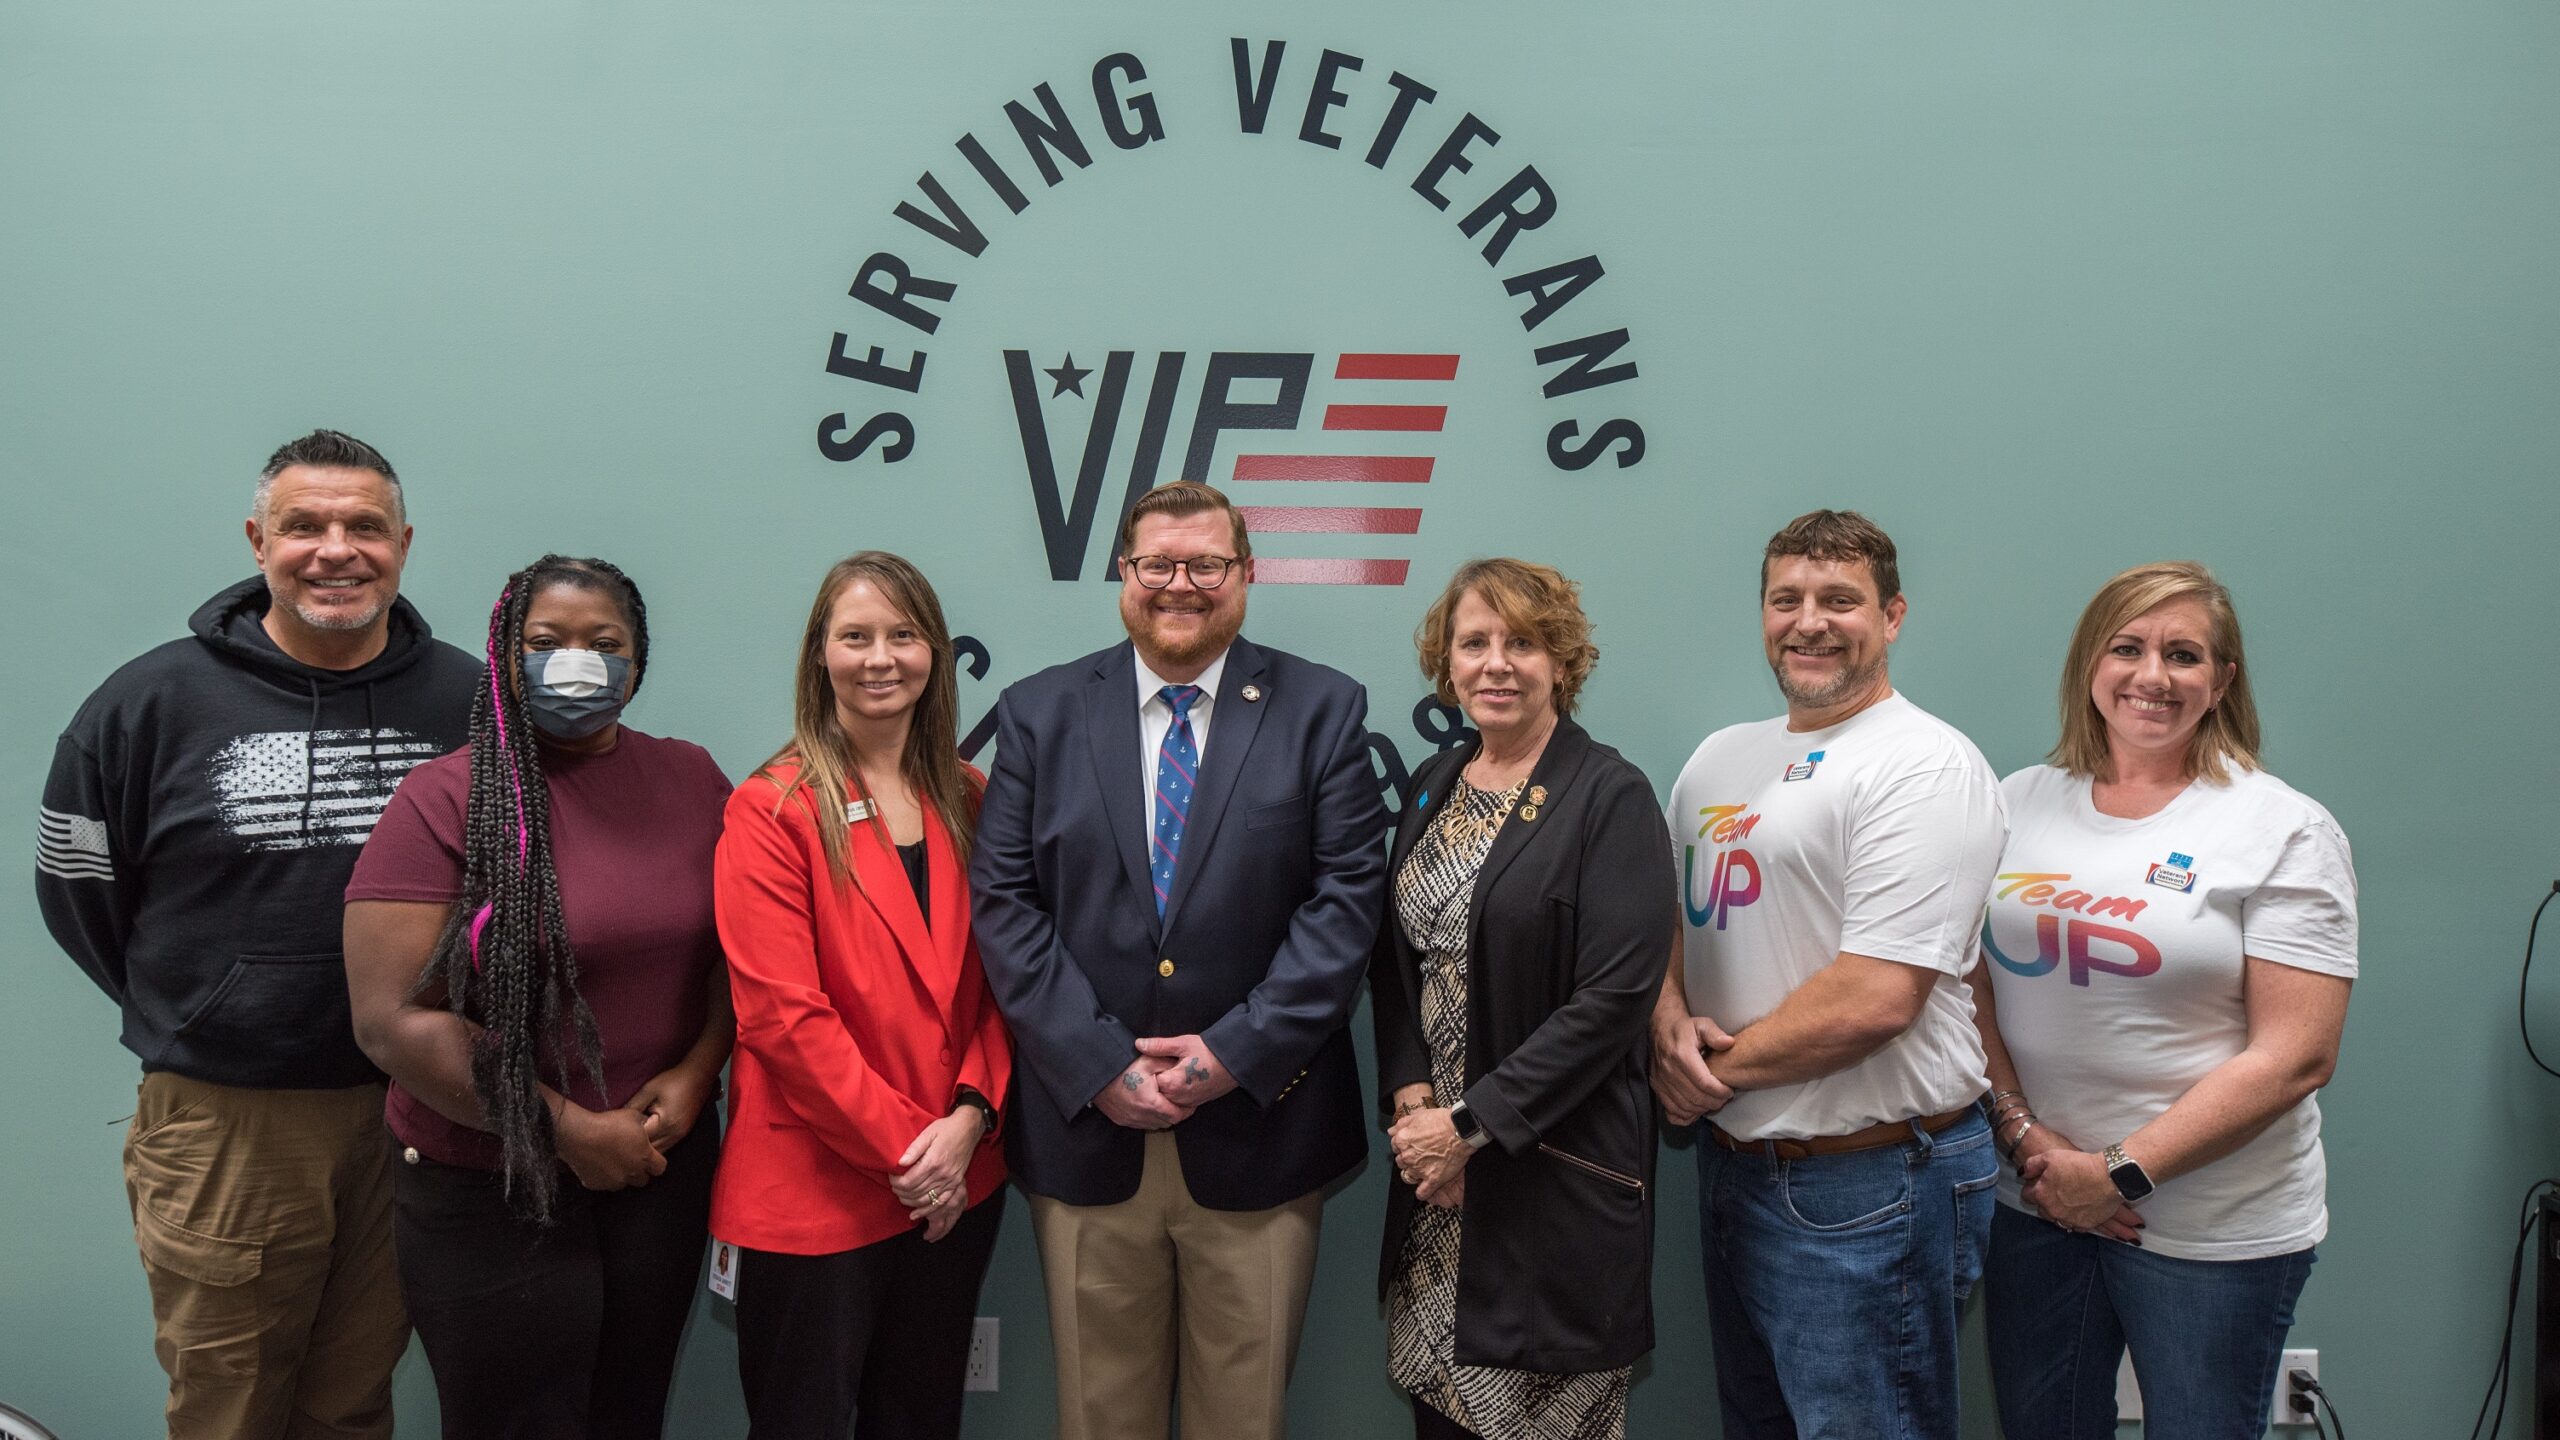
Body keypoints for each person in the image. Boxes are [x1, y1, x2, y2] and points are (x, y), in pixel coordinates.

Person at [34, 430, 478, 1439]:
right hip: (230, 1124)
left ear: (404, 543)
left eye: (364, 526)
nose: (335, 550)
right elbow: (79, 889)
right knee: (229, 1409)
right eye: (303, 526)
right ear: (256, 540)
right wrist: (214, 1001)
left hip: (412, 1110)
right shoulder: (149, 703)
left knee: (354, 1405)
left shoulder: (467, 701)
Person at [971, 481, 1388, 1440]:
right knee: (1099, 1416)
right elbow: (1006, 907)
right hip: (1088, 1129)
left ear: (1246, 574)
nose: (1180, 586)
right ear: (1123, 574)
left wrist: (1234, 1052)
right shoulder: (1037, 713)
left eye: (1206, 565)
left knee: (1242, 1420)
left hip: (1260, 1128)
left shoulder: (1322, 709)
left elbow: (1343, 907)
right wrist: (1099, 1062)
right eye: (1157, 564)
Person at [342, 555, 733, 1438]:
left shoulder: (691, 777)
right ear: (503, 655)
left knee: (626, 1414)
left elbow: (731, 954)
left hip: (655, 1167)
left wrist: (699, 1070)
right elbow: (394, 1021)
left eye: (606, 643)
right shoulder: (443, 799)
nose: (577, 664)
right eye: (546, 643)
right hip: (489, 1184)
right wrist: (569, 1132)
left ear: (639, 661)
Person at [1970, 561, 2355, 1439]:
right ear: (2089, 666)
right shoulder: (2015, 802)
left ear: (2221, 681)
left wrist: (2113, 1174)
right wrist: (2024, 1135)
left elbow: (2297, 1054)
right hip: (2033, 1201)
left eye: (2184, 655)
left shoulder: (2282, 828)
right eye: (2128, 647)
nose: (2153, 675)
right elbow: (1967, 982)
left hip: (2210, 1232)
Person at [1649, 509, 2007, 1440]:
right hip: (1737, 1168)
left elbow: (1876, 998)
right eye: (1787, 600)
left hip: (1871, 1181)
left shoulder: (1924, 766)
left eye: (1839, 601)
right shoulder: (1717, 760)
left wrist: (1704, 1078)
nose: (1809, 621)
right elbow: (1675, 930)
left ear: (1891, 617)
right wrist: (1665, 1026)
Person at [1372, 559, 1675, 1440]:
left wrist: (1469, 1129)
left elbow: (1614, 1000)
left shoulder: (1608, 795)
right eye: (1476, 643)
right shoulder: (1434, 784)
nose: (1497, 664)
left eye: (1523, 643)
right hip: (1436, 1191)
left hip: (1550, 1188)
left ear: (1562, 662)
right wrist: (1414, 1100)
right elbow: (1396, 966)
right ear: (1448, 663)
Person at [713, 552, 1013, 1440]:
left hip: (960, 1175)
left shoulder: (972, 796)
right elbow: (781, 1016)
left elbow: (1009, 983)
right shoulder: (772, 809)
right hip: (819, 1187)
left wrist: (968, 1120)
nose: (880, 657)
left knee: (920, 1420)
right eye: (855, 636)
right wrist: (916, 1160)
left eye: (903, 635)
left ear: (936, 655)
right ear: (820, 656)